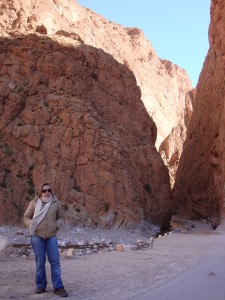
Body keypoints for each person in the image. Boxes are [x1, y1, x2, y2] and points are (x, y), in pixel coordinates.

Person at [23, 183, 68, 297]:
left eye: (49, 190)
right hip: (37, 236)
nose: (47, 192)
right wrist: (31, 224)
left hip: (51, 236)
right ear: (40, 192)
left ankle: (58, 287)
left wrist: (56, 226)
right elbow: (26, 217)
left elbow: (61, 217)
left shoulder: (55, 202)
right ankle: (41, 286)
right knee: (40, 262)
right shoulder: (34, 202)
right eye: (44, 190)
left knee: (55, 262)